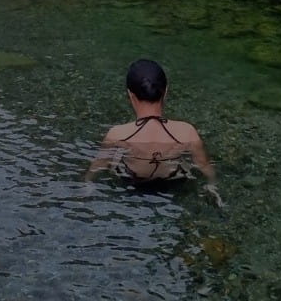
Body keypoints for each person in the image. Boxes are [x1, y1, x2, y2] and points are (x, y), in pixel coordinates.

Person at [86, 59, 221, 203]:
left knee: (116, 158)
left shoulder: (118, 134)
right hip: (173, 186)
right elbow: (205, 167)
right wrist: (212, 186)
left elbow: (97, 167)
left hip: (131, 185)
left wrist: (88, 183)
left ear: (130, 94)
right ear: (166, 91)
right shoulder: (186, 131)